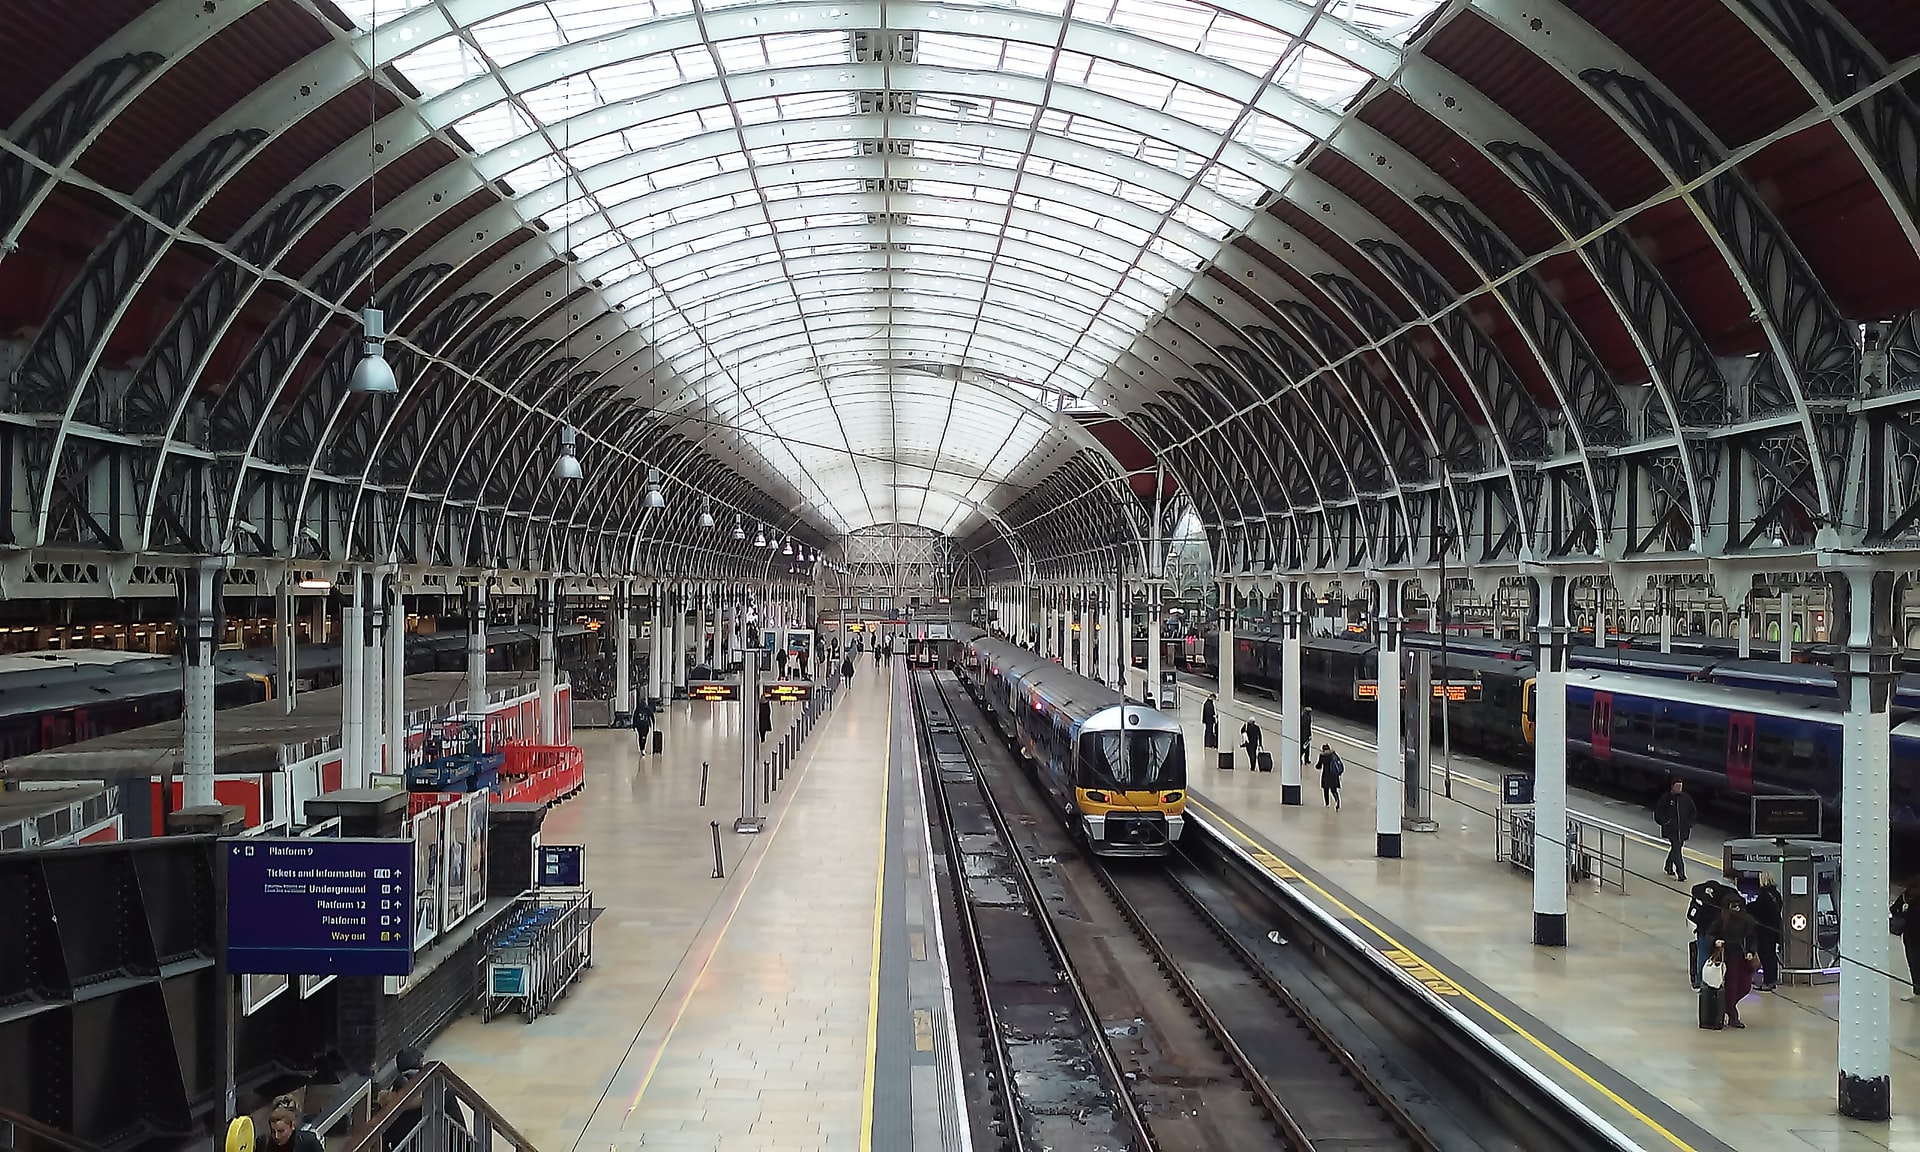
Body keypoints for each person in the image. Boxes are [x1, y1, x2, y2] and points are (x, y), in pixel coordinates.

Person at [1715, 893, 1760, 1028]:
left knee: (1745, 986)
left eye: (1738, 905)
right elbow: (1712, 933)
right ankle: (1732, 1015)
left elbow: (1752, 938)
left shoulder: (1748, 921)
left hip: (1744, 958)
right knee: (1732, 987)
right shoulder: (1722, 920)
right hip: (1730, 957)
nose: (1736, 909)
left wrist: (1751, 951)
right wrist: (1717, 942)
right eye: (1733, 906)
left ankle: (1727, 1008)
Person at [1653, 779, 1697, 882]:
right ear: (1672, 786)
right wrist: (1665, 822)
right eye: (1677, 786)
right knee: (1677, 850)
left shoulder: (1686, 798)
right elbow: (1659, 812)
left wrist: (1690, 823)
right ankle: (1681, 873)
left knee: (1676, 848)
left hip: (1683, 829)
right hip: (1671, 830)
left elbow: (1693, 811)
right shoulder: (1666, 798)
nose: (1679, 789)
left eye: (1680, 786)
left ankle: (1668, 866)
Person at [1687, 879, 1728, 989]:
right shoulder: (1722, 897)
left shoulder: (1700, 896)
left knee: (1703, 955)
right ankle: (1718, 980)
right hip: (1718, 932)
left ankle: (1700, 981)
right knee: (1719, 955)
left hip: (1703, 931)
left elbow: (1692, 915)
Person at [1752, 873, 1783, 990]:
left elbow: (1757, 910)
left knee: (1766, 956)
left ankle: (1768, 981)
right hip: (1775, 929)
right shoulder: (1776, 894)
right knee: (1772, 955)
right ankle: (1773, 980)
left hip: (1764, 930)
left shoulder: (1763, 896)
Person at [1893, 880, 1920, 1001]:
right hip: (1912, 936)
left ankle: (1917, 991)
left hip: (1910, 936)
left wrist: (1903, 914)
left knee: (1914, 965)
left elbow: (1893, 909)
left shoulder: (1906, 897)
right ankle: (1917, 990)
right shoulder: (1906, 897)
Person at [1315, 743, 1343, 808]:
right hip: (1334, 775)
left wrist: (1316, 765)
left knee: (1326, 790)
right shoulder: (1334, 754)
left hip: (1326, 775)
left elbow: (1318, 766)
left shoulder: (1322, 756)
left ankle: (1327, 804)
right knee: (1334, 790)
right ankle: (1337, 799)